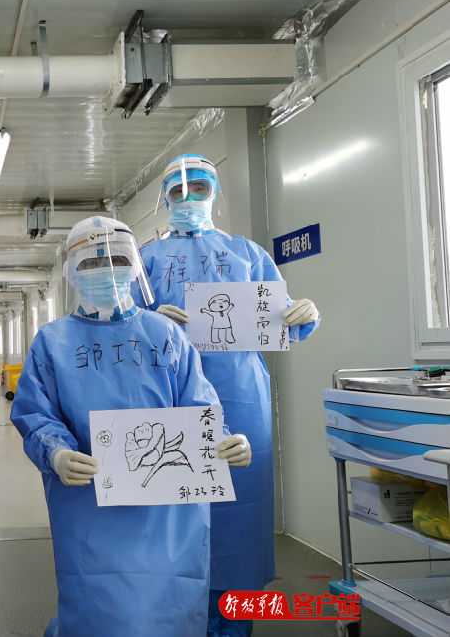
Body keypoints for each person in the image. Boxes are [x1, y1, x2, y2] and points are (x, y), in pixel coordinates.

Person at [9, 216, 253, 637]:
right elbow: (37, 415)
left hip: (168, 511)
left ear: (135, 267)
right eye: (92, 262)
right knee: (98, 607)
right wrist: (57, 452)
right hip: (89, 507)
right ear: (72, 271)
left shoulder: (166, 334)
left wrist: (224, 439)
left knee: (169, 605)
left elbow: (198, 404)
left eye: (118, 259)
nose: (106, 270)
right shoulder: (52, 342)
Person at [136, 154, 321, 637]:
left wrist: (303, 313)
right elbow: (122, 328)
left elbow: (280, 317)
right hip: (170, 398)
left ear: (214, 192)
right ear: (166, 198)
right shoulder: (146, 260)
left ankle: (233, 626)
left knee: (240, 511)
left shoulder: (247, 254)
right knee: (174, 507)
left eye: (198, 188)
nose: (188, 197)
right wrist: (148, 322)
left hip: (240, 398)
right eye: (178, 191)